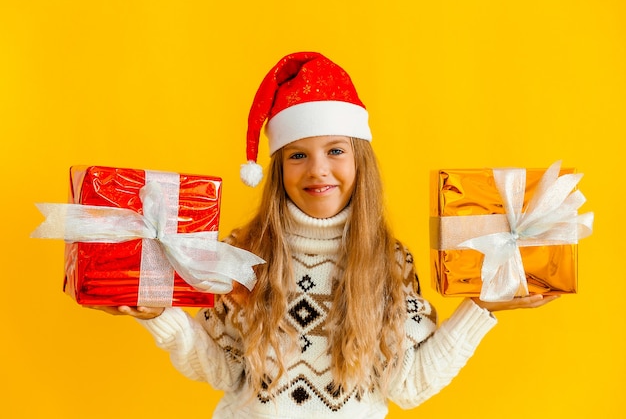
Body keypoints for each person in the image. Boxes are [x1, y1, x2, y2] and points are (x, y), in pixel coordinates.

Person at [93, 51, 557, 418]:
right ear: (277, 170)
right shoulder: (241, 255)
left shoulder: (388, 262)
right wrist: (160, 317)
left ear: (360, 161)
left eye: (335, 150)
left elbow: (410, 386)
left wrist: (479, 309)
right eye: (297, 155)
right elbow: (221, 370)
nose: (318, 171)